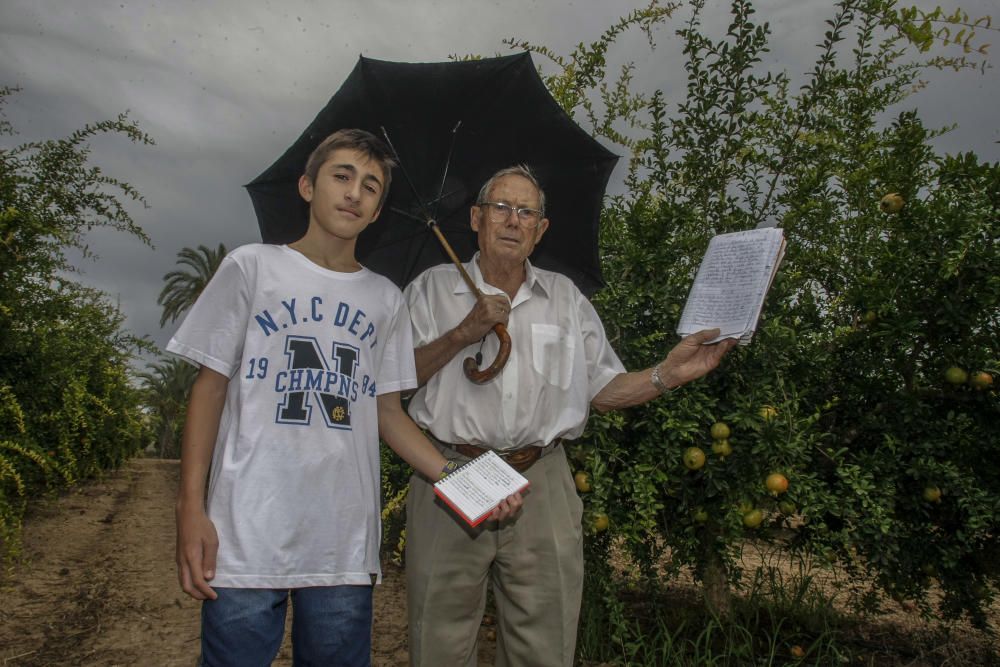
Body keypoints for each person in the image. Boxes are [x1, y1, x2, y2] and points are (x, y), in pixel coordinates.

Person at [169, 129, 506, 666]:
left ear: (377, 212)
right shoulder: (252, 269)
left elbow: (387, 413)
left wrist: (462, 480)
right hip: (244, 534)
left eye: (370, 186)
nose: (354, 192)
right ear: (307, 185)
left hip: (342, 547)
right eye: (341, 176)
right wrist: (191, 507)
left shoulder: (385, 299)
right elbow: (209, 389)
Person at [402, 165, 737, 666]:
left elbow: (602, 389)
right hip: (450, 473)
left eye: (526, 211)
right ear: (475, 218)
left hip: (543, 479)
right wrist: (463, 333)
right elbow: (396, 384)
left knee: (547, 643)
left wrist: (669, 373)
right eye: (500, 208)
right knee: (439, 642)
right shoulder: (429, 290)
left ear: (541, 230)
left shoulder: (565, 299)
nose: (513, 221)